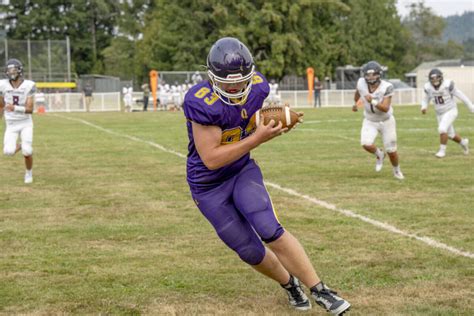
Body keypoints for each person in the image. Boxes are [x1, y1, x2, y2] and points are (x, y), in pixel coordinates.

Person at [183, 37, 351, 315]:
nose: (235, 87)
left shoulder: (259, 87)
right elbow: (211, 159)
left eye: (240, 81)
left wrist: (274, 123)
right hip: (208, 185)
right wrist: (259, 138)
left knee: (268, 227)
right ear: (212, 78)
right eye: (227, 82)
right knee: (248, 249)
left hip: (240, 171)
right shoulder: (201, 102)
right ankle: (289, 284)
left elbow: (252, 118)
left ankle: (322, 290)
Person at [352, 61, 404, 180]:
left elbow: (385, 108)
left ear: (379, 74)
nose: (371, 77)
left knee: (391, 150)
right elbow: (358, 92)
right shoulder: (361, 82)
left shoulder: (387, 86)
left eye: (373, 74)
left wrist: (373, 101)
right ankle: (379, 154)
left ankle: (397, 171)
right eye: (368, 75)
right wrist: (355, 103)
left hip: (386, 121)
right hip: (370, 120)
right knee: (366, 143)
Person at [421, 68, 473, 158]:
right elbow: (426, 99)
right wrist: (424, 107)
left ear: (441, 78)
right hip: (439, 113)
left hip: (450, 110)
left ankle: (442, 151)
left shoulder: (447, 85)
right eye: (432, 79)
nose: (435, 81)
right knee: (450, 135)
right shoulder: (428, 87)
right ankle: (464, 143)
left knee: (442, 129)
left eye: (437, 78)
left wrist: (471, 107)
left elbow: (461, 96)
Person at [0, 58, 36, 184]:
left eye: (14, 69)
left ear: (19, 71)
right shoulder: (2, 85)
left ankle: (28, 173)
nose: (11, 72)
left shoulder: (29, 85)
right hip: (11, 124)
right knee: (8, 151)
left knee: (28, 151)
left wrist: (14, 108)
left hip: (25, 123)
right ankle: (21, 145)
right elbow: (1, 105)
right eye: (9, 70)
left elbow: (30, 109)